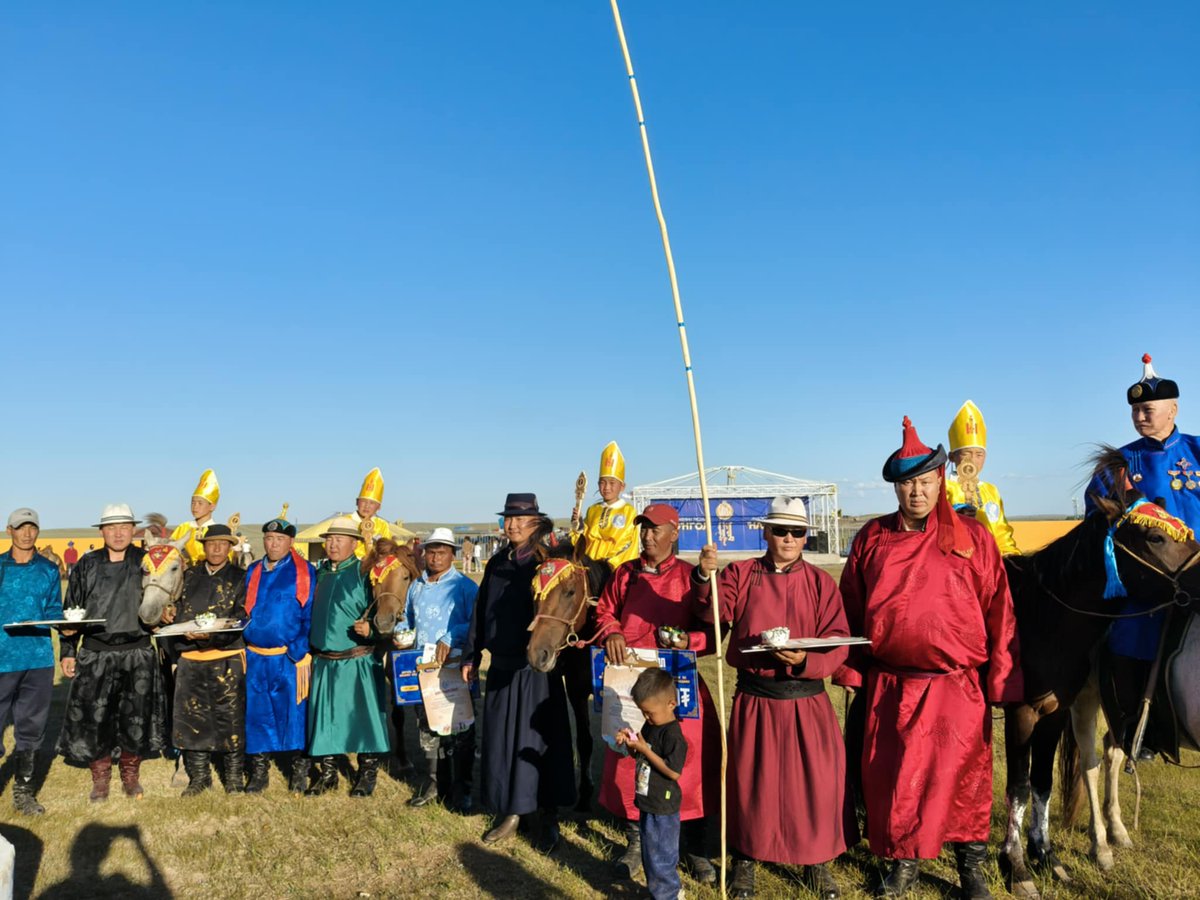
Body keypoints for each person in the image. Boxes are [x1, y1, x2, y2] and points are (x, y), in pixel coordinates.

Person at [834, 417, 1022, 899]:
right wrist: (852, 668)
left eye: (923, 481)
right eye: (906, 483)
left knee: (965, 779)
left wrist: (1001, 679)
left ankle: (970, 870)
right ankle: (903, 866)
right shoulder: (872, 539)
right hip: (893, 685)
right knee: (898, 780)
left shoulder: (973, 537)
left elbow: (1000, 608)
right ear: (895, 488)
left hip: (957, 685)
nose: (916, 492)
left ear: (941, 479)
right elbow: (851, 607)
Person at [694, 496, 852, 900]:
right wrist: (703, 578)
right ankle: (745, 858)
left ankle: (815, 861)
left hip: (806, 700)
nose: (788, 538)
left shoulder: (820, 583)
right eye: (780, 530)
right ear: (765, 532)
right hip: (756, 699)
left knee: (814, 784)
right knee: (752, 783)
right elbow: (714, 612)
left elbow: (837, 643)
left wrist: (804, 660)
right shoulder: (741, 574)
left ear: (805, 537)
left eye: (796, 532)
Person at [594, 503, 719, 885]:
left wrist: (686, 640)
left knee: (690, 761)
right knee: (631, 757)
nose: (647, 536)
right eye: (643, 529)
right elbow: (604, 612)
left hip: (676, 684)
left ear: (673, 533)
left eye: (655, 529)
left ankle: (693, 844)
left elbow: (713, 631)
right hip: (631, 682)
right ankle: (636, 840)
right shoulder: (625, 574)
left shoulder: (689, 577)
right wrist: (612, 631)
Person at [1087, 353, 1200, 758]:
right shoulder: (1118, 463)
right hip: (1149, 579)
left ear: (1173, 409)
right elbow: (1097, 522)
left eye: (1147, 409)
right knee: (1128, 635)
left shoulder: (1197, 450)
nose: (1139, 416)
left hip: (1197, 570)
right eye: (1135, 410)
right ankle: (1139, 728)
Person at [462, 493, 575, 852]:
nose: (512, 524)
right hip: (501, 666)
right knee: (500, 740)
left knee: (538, 742)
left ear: (536, 524)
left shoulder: (547, 563)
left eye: (520, 519)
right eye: (508, 518)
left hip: (535, 668)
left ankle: (545, 814)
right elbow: (481, 611)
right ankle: (511, 810)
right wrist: (470, 654)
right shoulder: (496, 563)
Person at [57, 504, 168, 801]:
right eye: (111, 527)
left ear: (133, 530)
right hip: (96, 653)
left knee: (135, 717)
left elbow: (164, 595)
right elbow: (72, 610)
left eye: (124, 527)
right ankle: (101, 778)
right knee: (96, 718)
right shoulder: (87, 564)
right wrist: (68, 650)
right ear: (102, 531)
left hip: (138, 652)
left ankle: (130, 776)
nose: (118, 533)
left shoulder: (146, 561)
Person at [306, 516, 391, 797]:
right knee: (325, 719)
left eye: (339, 539)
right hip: (324, 660)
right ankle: (328, 773)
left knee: (363, 719)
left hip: (357, 659)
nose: (332, 544)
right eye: (329, 539)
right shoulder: (321, 574)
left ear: (353, 543)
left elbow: (386, 611)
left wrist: (373, 630)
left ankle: (366, 775)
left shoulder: (366, 573)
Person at [160, 524, 247, 795]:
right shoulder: (189, 575)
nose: (217, 548)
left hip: (226, 656)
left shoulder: (241, 577)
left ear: (231, 547)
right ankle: (199, 778)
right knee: (191, 719)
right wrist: (168, 615)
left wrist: (208, 638)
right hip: (190, 658)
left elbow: (242, 616)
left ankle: (233, 779)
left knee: (230, 717)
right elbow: (172, 606)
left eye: (223, 544)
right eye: (211, 543)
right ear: (204, 547)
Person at [403, 527, 479, 811]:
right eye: (431, 551)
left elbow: (476, 623)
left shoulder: (465, 586)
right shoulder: (417, 585)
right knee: (428, 726)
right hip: (423, 667)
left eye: (442, 551)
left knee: (460, 726)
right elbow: (407, 619)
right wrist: (402, 632)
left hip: (454, 666)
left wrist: (450, 637)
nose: (435, 557)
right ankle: (435, 783)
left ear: (453, 555)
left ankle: (463, 789)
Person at [242, 514, 315, 794]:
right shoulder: (253, 571)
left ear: (291, 542)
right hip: (256, 656)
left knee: (294, 715)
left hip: (289, 657)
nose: (273, 544)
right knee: (257, 714)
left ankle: (299, 771)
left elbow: (309, 615)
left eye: (280, 539)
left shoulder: (304, 572)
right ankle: (259, 773)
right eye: (269, 539)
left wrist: (299, 649)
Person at [0, 508, 64, 815]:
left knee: (31, 727)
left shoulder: (48, 570)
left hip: (38, 659)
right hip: (2, 659)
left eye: (32, 528)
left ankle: (24, 792)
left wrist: (67, 624)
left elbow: (54, 610)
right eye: (21, 528)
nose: (27, 534)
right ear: (9, 530)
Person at [615, 667, 688, 900]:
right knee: (650, 852)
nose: (646, 718)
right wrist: (631, 742)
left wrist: (645, 748)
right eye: (643, 712)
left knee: (662, 854)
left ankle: (668, 895)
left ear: (671, 704)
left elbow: (673, 772)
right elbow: (641, 754)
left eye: (649, 712)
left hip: (664, 807)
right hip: (648, 800)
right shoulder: (652, 726)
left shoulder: (674, 735)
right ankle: (659, 892)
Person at [944, 400, 1019, 555]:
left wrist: (1010, 558)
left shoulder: (991, 490)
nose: (973, 460)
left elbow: (1001, 532)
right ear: (952, 457)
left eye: (979, 454)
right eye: (966, 454)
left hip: (992, 564)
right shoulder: (943, 487)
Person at [574, 441, 640, 569]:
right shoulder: (592, 510)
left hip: (613, 568)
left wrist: (607, 563)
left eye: (612, 483)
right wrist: (578, 527)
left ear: (622, 486)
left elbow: (627, 544)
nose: (606, 487)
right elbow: (583, 541)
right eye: (602, 483)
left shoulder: (628, 511)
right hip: (589, 568)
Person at [170, 468, 222, 564]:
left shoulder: (217, 531)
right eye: (193, 502)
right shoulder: (183, 528)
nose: (195, 507)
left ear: (212, 506)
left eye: (200, 503)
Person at [351, 467, 393, 560]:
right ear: (357, 502)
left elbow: (388, 550)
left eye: (372, 503)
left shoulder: (382, 525)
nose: (367, 506)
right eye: (364, 501)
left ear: (379, 507)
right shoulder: (346, 521)